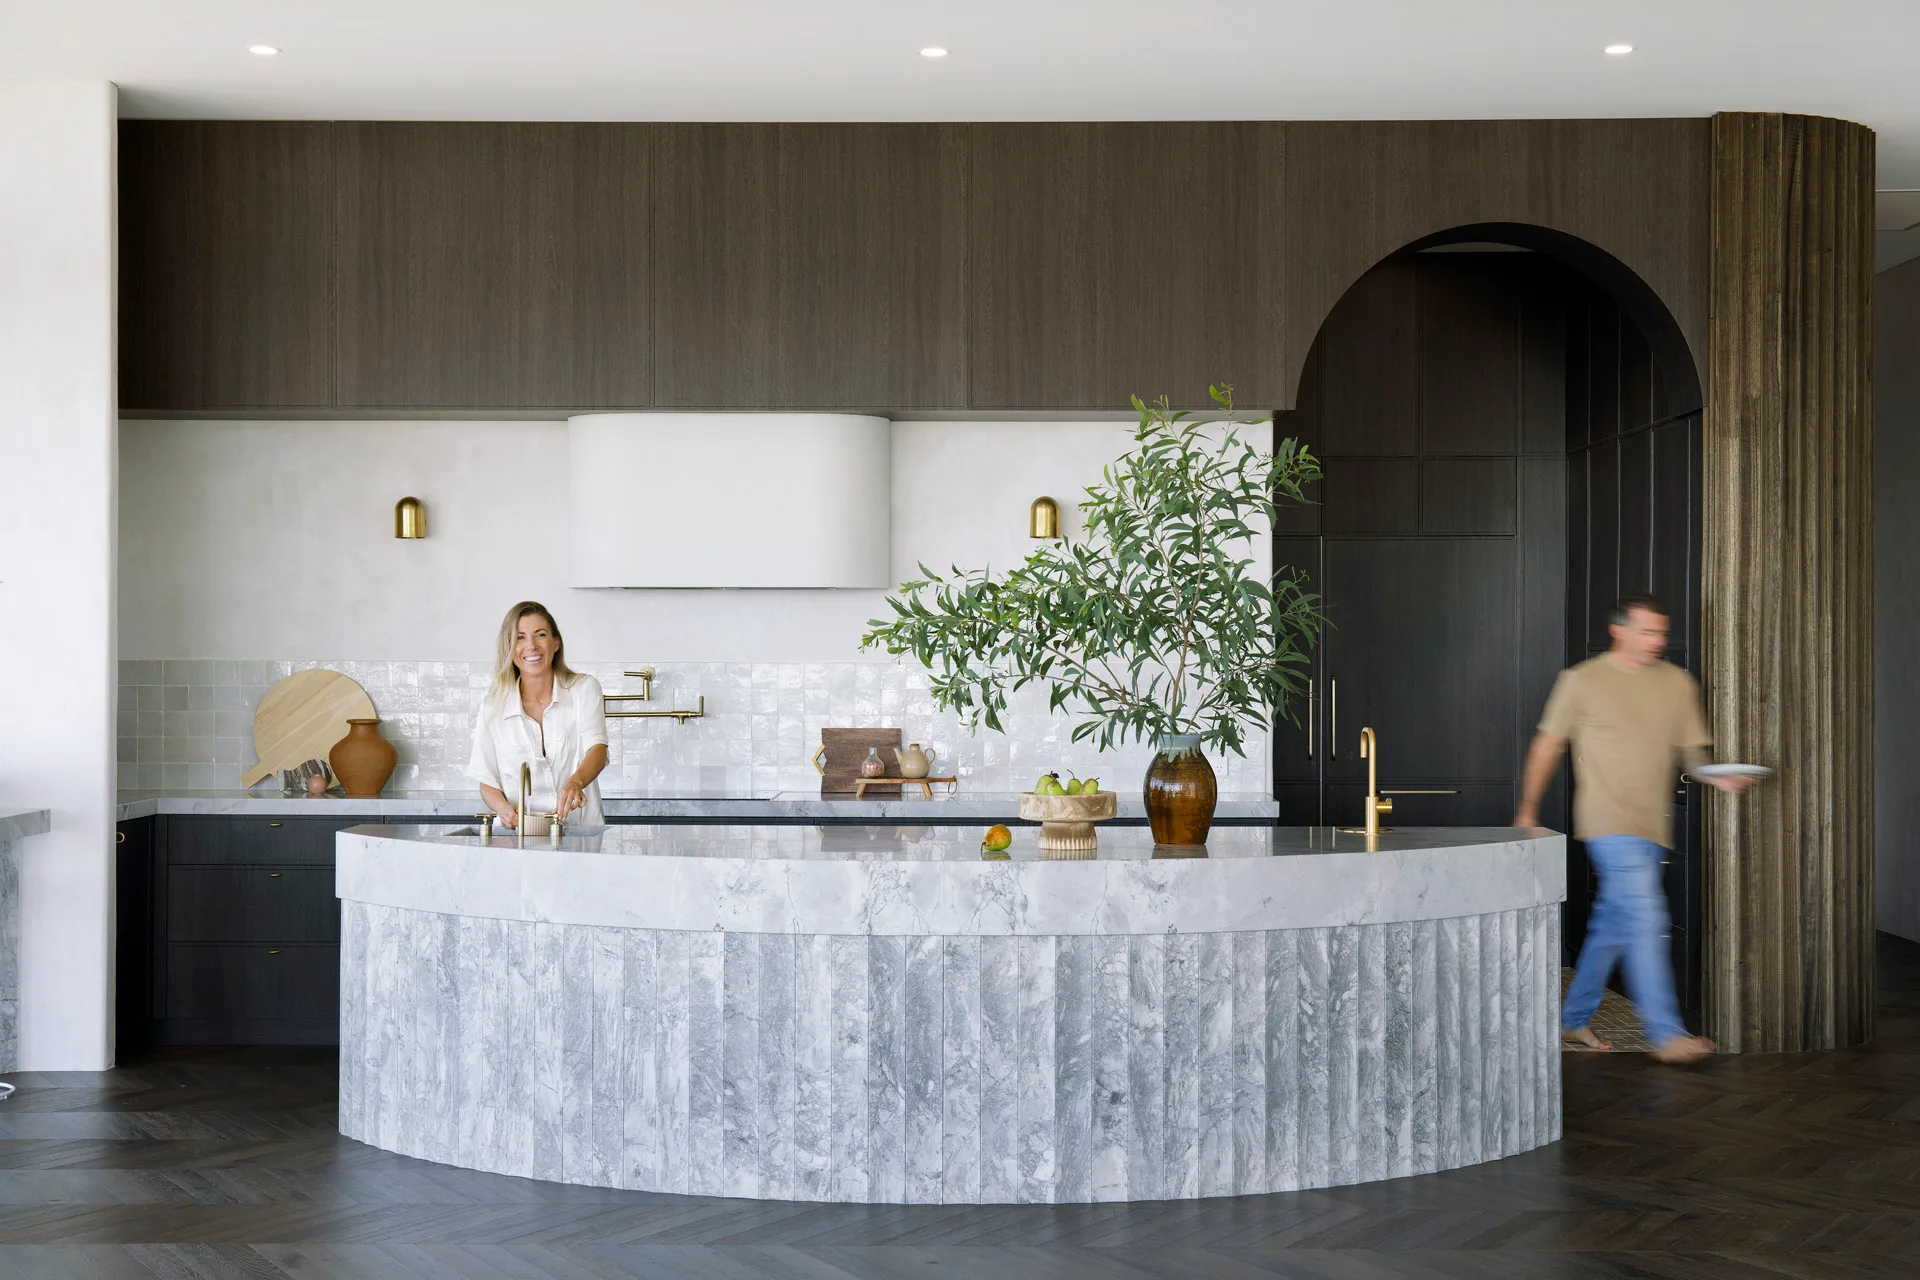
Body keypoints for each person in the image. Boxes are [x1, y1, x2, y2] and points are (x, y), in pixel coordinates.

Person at [1513, 594, 1756, 1065]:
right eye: (1647, 632)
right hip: (1608, 822)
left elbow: (1692, 756)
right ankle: (1666, 1033)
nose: (1657, 642)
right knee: (1646, 917)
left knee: (1613, 925)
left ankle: (1573, 1017)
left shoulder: (1677, 683)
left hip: (1654, 825)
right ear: (1619, 631)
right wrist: (1527, 810)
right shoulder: (1581, 681)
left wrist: (1717, 776)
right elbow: (1548, 745)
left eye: (1661, 633)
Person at [469, 601, 608, 828]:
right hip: (517, 836)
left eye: (540, 635)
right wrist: (502, 809)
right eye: (520, 637)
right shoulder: (493, 707)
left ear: (556, 643)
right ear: (509, 647)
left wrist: (576, 782)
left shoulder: (584, 688)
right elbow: (487, 780)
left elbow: (598, 749)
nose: (531, 646)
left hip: (579, 831)